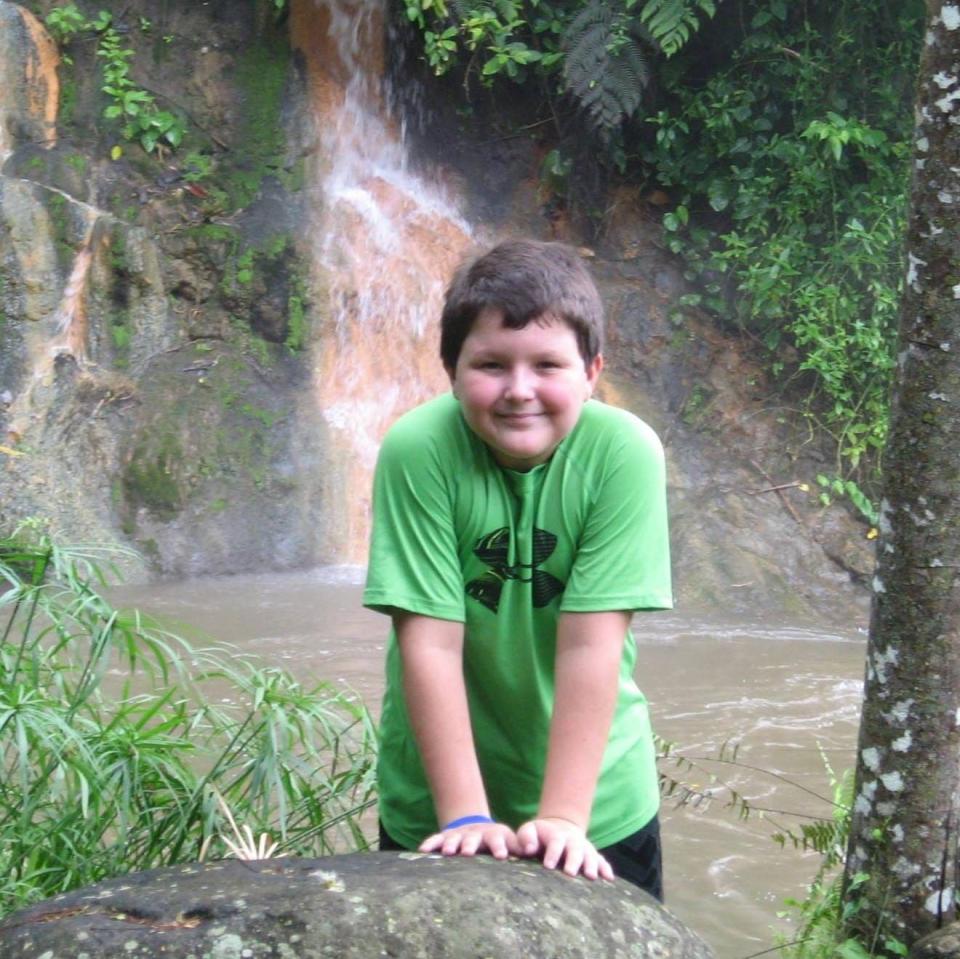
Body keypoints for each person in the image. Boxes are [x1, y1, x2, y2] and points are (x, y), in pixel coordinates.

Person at [363, 238, 672, 898]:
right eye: (492, 364)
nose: (519, 390)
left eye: (548, 364)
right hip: (434, 796)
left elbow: (591, 643)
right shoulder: (419, 449)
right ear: (451, 369)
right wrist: (466, 814)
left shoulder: (625, 454)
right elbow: (431, 641)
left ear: (592, 370)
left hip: (602, 800)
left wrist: (563, 817)